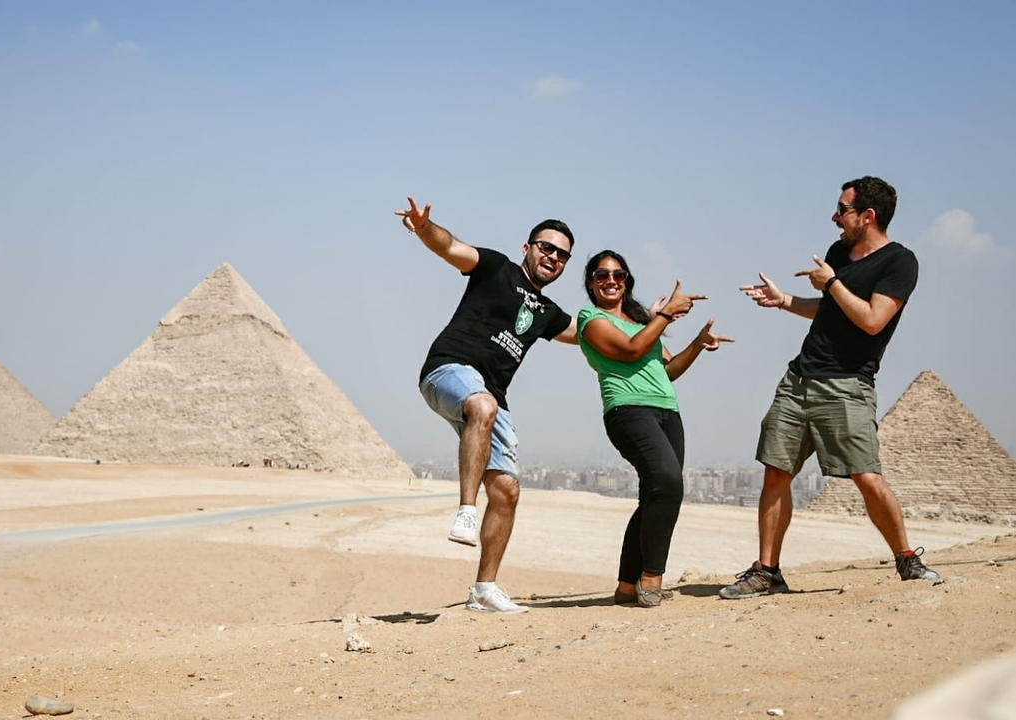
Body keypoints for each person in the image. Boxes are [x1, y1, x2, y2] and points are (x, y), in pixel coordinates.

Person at [720, 176, 941, 600]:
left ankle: (907, 558)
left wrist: (832, 283)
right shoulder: (840, 252)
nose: (834, 217)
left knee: (867, 477)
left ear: (868, 216)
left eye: (842, 209)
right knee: (775, 472)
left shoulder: (900, 262)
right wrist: (784, 300)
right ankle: (767, 570)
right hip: (798, 379)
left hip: (847, 386)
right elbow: (833, 311)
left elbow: (873, 319)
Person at [396, 196, 579, 614]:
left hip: (493, 395)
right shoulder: (496, 267)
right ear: (527, 248)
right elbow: (450, 246)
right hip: (448, 370)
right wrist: (425, 227)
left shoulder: (549, 313)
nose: (552, 257)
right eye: (546, 247)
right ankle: (464, 511)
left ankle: (484, 589)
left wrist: (653, 330)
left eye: (562, 255)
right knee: (481, 404)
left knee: (507, 491)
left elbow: (598, 337)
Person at [577, 250, 730, 607]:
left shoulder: (639, 322)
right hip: (628, 410)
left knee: (652, 496)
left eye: (619, 274)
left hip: (667, 411)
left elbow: (669, 369)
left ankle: (627, 586)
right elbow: (631, 351)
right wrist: (664, 315)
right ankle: (652, 576)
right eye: (602, 274)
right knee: (668, 481)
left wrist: (697, 344)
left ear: (627, 279)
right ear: (590, 282)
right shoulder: (591, 318)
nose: (611, 280)